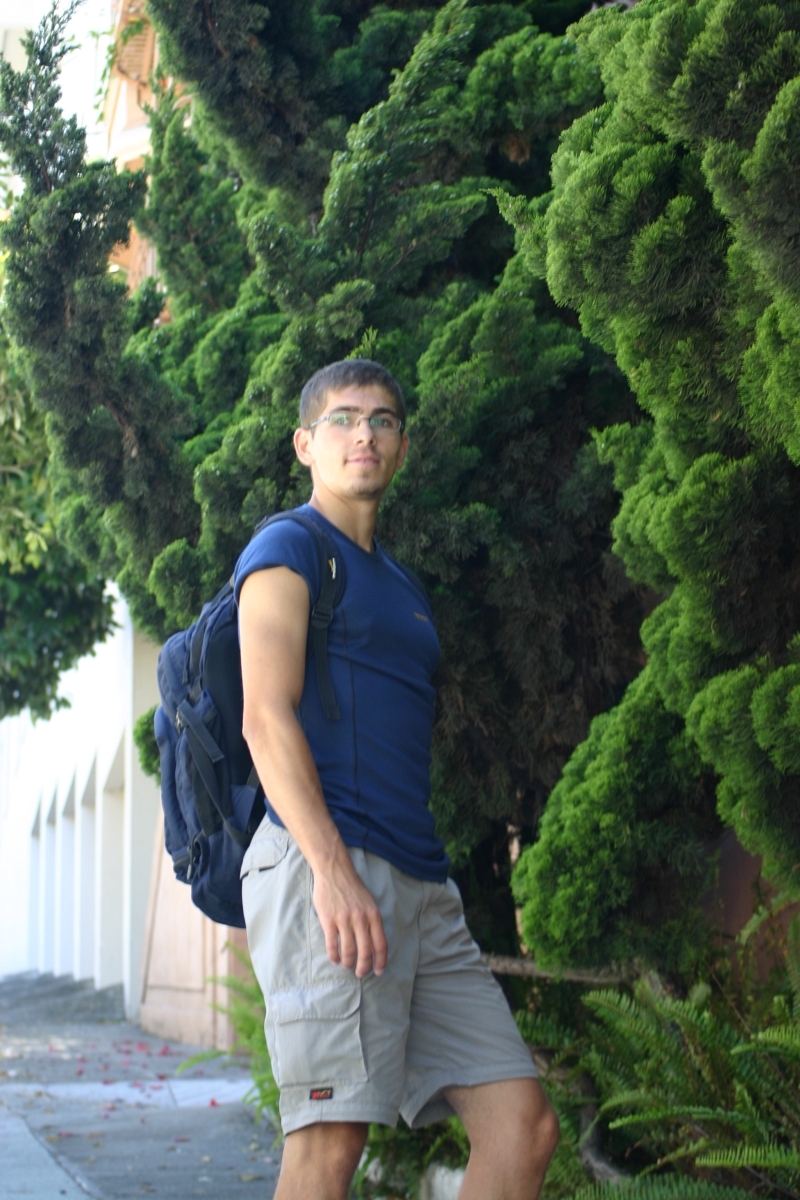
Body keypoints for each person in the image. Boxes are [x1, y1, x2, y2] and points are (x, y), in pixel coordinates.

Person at [234, 359, 559, 1200]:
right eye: (342, 420)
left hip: (418, 883)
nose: (365, 435)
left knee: (521, 1127)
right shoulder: (288, 548)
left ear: (403, 447)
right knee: (329, 1142)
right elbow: (265, 718)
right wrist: (332, 871)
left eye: (382, 421)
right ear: (305, 444)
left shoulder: (402, 587)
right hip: (327, 866)